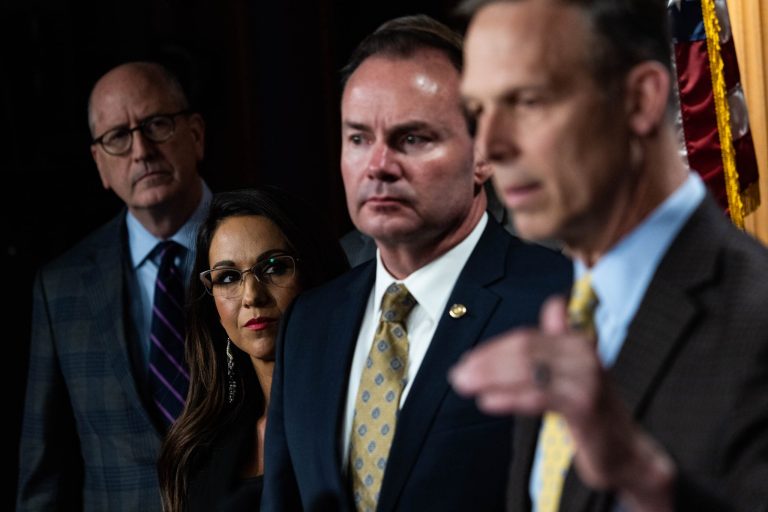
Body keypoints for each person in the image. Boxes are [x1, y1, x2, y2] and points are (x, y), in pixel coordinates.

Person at [451, 1, 768, 511]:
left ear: (640, 100)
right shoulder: (563, 308)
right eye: (479, 111)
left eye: (528, 101)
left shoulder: (755, 316)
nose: (489, 146)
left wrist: (647, 482)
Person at [262, 15, 571, 512]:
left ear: (483, 155)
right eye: (358, 138)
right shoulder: (309, 323)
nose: (378, 165)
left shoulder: (560, 303)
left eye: (412, 139)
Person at [17, 61, 210, 511]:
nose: (141, 151)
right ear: (100, 164)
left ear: (196, 134)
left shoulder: (266, 249)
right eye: (118, 137)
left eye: (156, 124)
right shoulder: (61, 288)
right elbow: (45, 470)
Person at [157, 187, 349, 512]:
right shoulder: (200, 448)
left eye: (273, 268)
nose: (251, 296)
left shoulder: (358, 411)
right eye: (228, 277)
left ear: (314, 272)